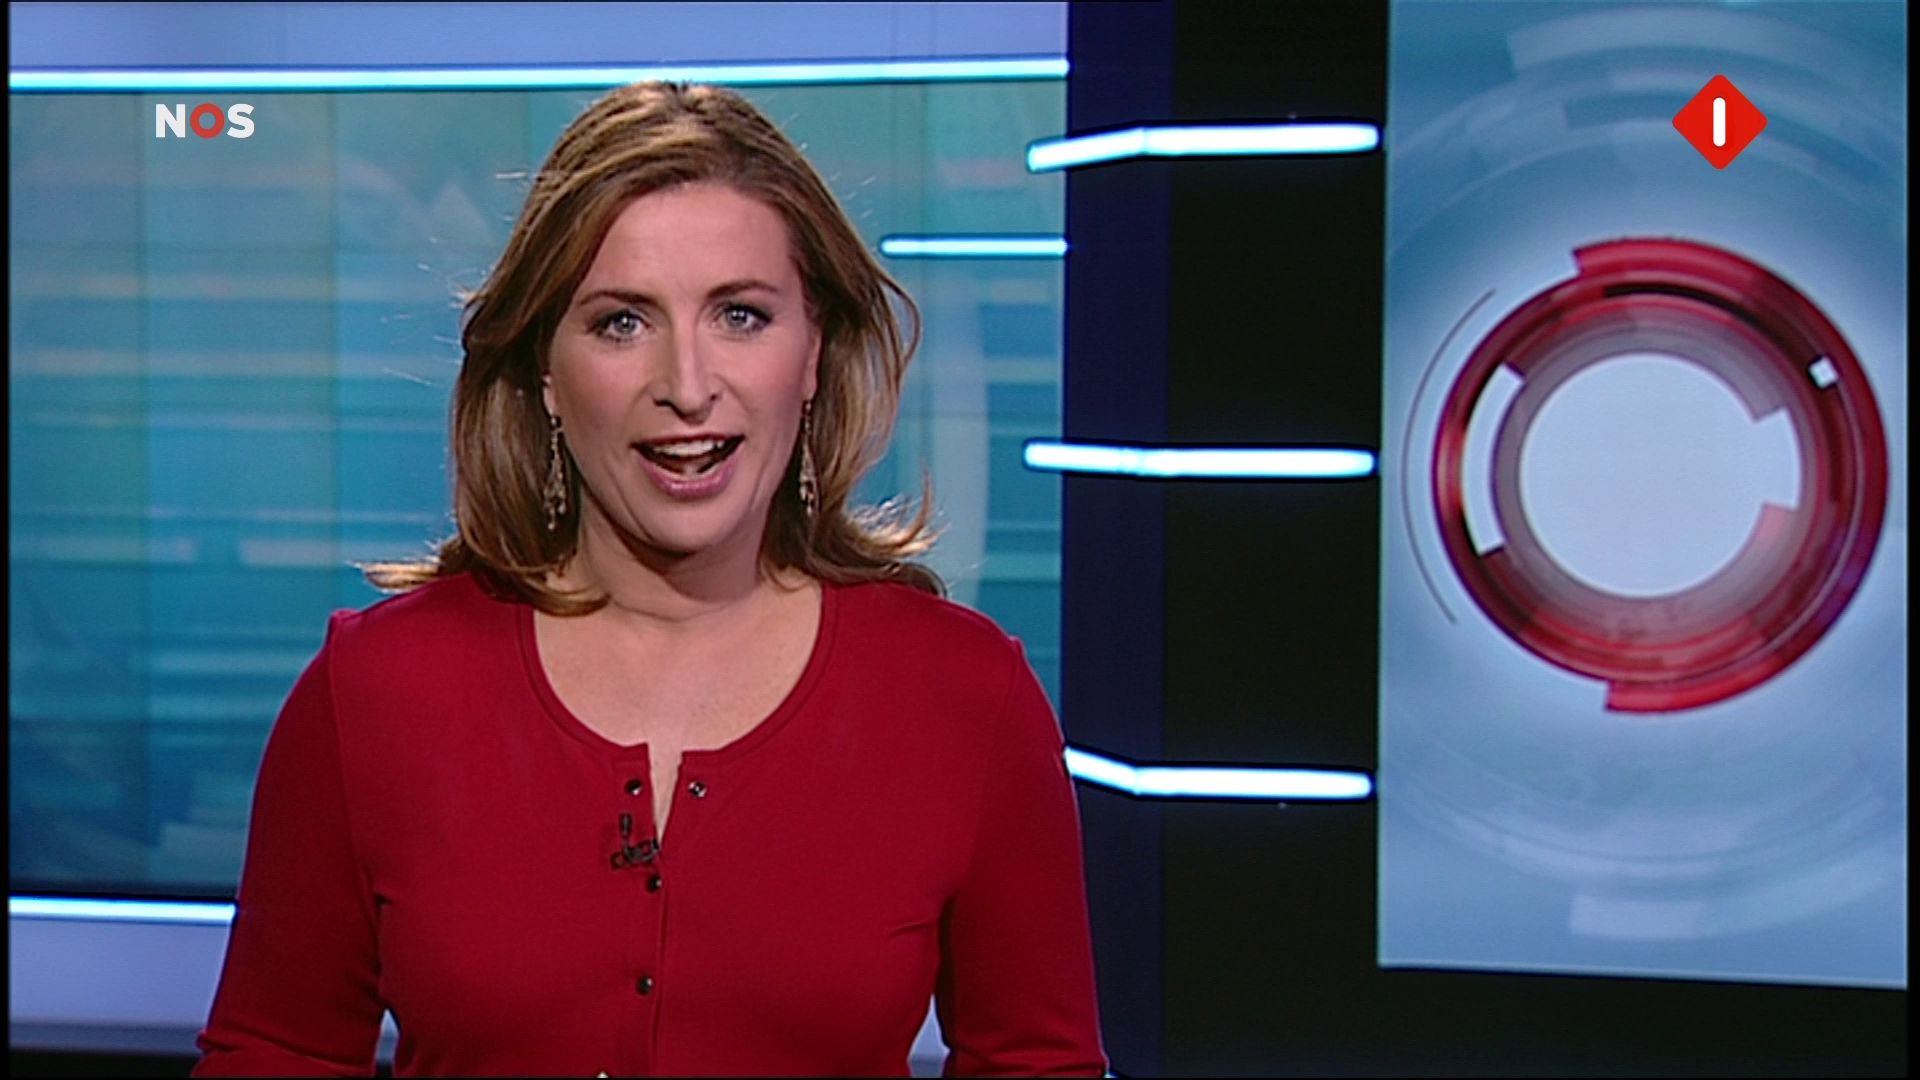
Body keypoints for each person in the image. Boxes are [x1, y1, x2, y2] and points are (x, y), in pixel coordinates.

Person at [191, 81, 1105, 1078]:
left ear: (813, 352)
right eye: (623, 323)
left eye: (741, 316)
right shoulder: (376, 693)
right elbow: (274, 1053)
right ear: (546, 368)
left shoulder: (964, 699)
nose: (687, 385)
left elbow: (1038, 1064)